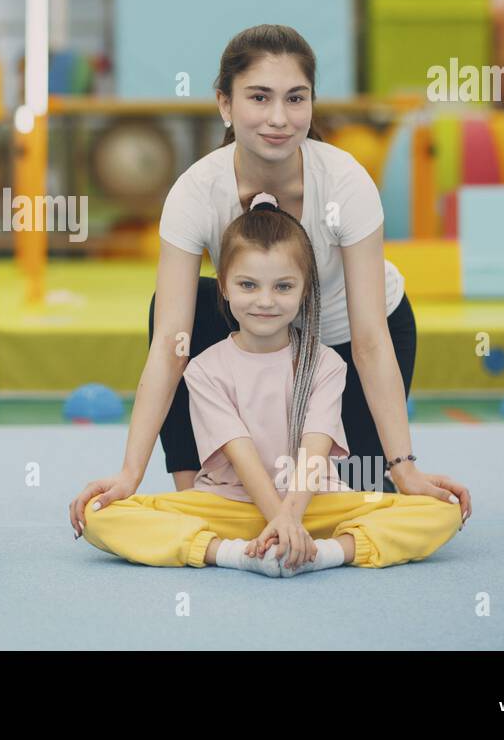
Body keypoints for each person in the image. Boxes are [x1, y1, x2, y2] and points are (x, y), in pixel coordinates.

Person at [71, 23, 470, 537]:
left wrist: (403, 464)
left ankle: (367, 478)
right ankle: (198, 490)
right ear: (225, 105)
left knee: (351, 500)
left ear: (311, 104)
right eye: (259, 97)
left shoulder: (345, 183)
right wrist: (129, 473)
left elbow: (371, 340)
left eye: (295, 98)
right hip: (259, 332)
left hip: (349, 341)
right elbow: (172, 344)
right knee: (181, 305)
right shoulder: (197, 192)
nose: (279, 118)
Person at [82, 195, 461, 575]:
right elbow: (239, 452)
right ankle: (233, 553)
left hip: (314, 503)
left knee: (442, 511)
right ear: (225, 288)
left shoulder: (327, 364)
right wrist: (280, 519)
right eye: (248, 285)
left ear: (305, 291)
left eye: (283, 287)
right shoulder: (203, 369)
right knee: (100, 516)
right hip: (229, 504)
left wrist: (290, 517)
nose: (265, 301)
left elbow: (316, 448)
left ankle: (326, 553)